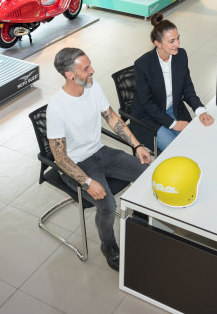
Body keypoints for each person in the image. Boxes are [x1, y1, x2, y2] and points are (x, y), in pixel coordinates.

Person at [46, 47, 151, 271]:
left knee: (147, 172)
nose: (92, 70)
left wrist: (137, 145)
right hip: (77, 164)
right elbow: (60, 157)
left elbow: (112, 118)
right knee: (107, 205)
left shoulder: (92, 87)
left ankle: (140, 221)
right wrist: (87, 182)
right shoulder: (56, 108)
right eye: (86, 68)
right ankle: (109, 245)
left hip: (101, 151)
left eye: (90, 65)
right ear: (69, 74)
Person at [130, 13, 214, 153]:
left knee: (195, 142)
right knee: (177, 149)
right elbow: (147, 103)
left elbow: (188, 88)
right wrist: (173, 124)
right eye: (171, 41)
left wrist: (201, 111)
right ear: (158, 43)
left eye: (178, 38)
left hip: (172, 108)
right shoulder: (143, 64)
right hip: (148, 116)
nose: (177, 44)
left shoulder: (181, 55)